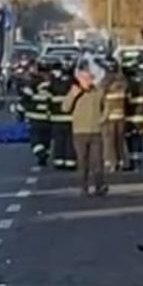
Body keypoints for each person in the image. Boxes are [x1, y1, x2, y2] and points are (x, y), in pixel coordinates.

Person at [63, 66, 108, 196]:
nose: (88, 81)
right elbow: (65, 108)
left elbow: (105, 107)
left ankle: (100, 186)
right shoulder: (74, 91)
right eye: (85, 79)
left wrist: (102, 119)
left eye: (90, 78)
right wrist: (73, 95)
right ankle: (83, 187)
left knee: (97, 161)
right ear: (79, 80)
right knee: (82, 162)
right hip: (79, 132)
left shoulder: (98, 91)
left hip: (95, 131)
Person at [46, 59, 76, 170]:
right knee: (70, 141)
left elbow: (48, 100)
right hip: (71, 118)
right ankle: (70, 162)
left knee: (59, 141)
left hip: (56, 118)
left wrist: (48, 114)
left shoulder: (54, 84)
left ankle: (59, 161)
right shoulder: (74, 84)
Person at [100, 57, 128, 171]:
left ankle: (111, 162)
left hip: (109, 116)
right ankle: (121, 161)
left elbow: (101, 99)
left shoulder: (106, 82)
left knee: (109, 141)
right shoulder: (123, 82)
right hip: (121, 115)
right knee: (119, 140)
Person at [123, 58, 143, 171]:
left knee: (131, 140)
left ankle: (132, 163)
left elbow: (126, 101)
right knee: (139, 140)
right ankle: (138, 163)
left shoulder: (128, 84)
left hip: (130, 117)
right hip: (141, 117)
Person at [27, 61, 52, 166]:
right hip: (49, 118)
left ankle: (41, 154)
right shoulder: (54, 83)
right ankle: (44, 153)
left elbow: (26, 98)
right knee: (46, 140)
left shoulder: (33, 83)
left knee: (36, 140)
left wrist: (20, 112)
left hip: (36, 118)